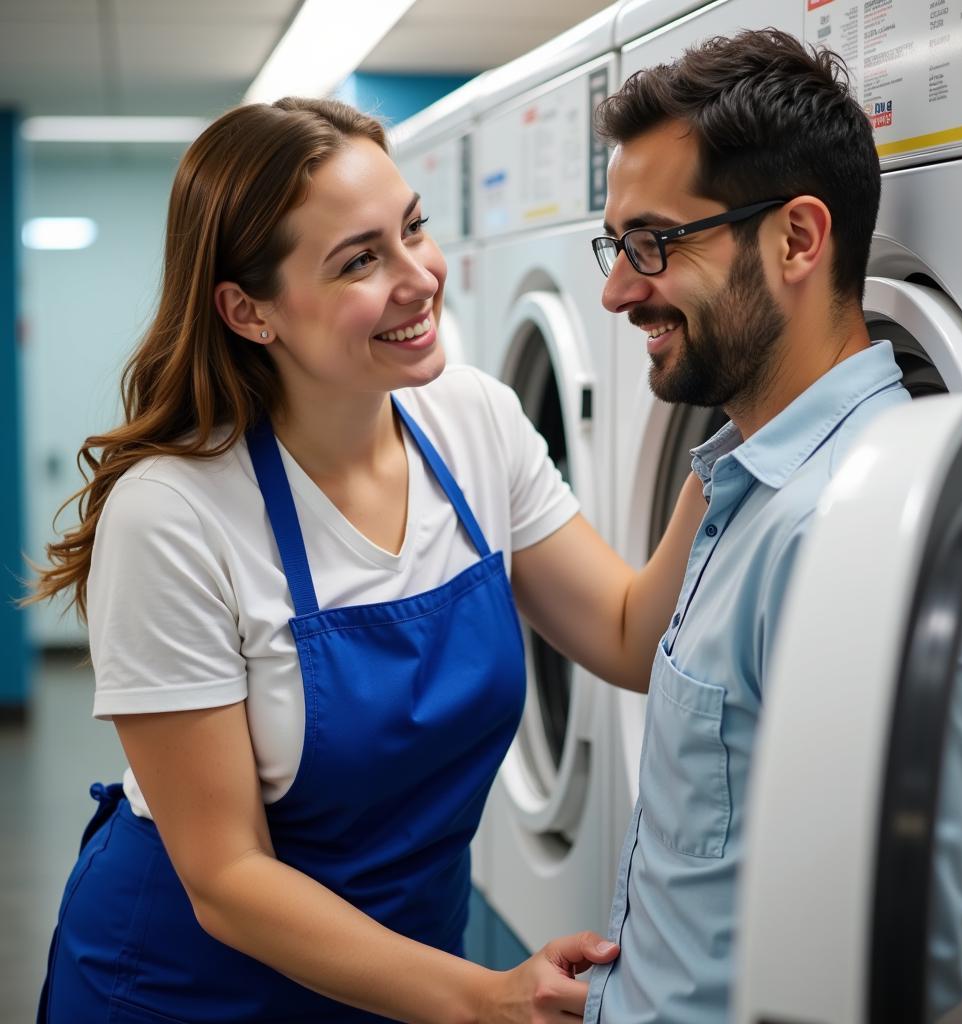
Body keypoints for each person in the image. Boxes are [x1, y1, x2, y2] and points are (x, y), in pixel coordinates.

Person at [29, 97, 708, 1023]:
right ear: (248, 309)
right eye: (359, 259)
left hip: (407, 971)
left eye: (413, 228)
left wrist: (735, 423)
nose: (418, 276)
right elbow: (225, 876)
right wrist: (483, 998)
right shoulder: (172, 515)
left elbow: (629, 634)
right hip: (190, 986)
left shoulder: (475, 421)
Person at [582, 29, 910, 1024]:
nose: (615, 289)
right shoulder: (741, 481)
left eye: (653, 242)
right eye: (614, 245)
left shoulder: (844, 534)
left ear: (797, 240)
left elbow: (910, 965)